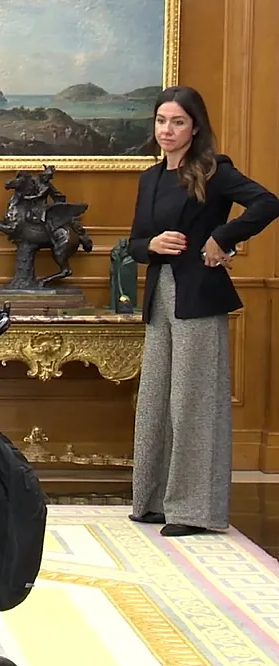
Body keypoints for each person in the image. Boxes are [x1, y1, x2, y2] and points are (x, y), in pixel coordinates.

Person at [127, 85, 279, 536]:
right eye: (161, 121)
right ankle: (152, 500)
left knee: (194, 404)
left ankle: (194, 511)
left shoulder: (213, 171)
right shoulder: (150, 178)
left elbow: (268, 202)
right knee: (155, 401)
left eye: (177, 122)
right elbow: (135, 242)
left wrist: (222, 238)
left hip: (199, 297)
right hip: (160, 296)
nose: (167, 130)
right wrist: (150, 245)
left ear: (195, 127)